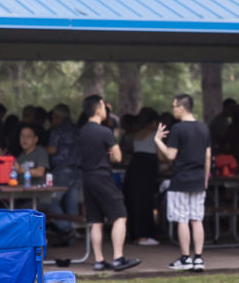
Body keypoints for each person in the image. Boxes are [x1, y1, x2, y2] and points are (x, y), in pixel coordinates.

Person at [79, 94, 140, 272]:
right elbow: (118, 157)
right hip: (102, 176)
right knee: (120, 215)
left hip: (87, 178)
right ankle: (118, 258)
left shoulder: (82, 131)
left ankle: (99, 260)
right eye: (104, 107)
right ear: (98, 109)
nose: (106, 110)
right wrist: (110, 153)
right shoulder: (105, 131)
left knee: (95, 220)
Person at [154, 93, 211, 272]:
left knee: (182, 220)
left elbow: (171, 156)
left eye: (173, 106)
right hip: (198, 180)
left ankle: (186, 258)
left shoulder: (178, 129)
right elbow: (208, 156)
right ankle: (199, 258)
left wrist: (157, 140)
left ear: (181, 107)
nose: (172, 110)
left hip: (180, 180)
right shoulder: (203, 128)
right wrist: (205, 177)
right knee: (197, 219)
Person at [124, 107, 161, 246]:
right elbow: (161, 154)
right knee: (145, 201)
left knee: (134, 200)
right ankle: (145, 235)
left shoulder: (137, 134)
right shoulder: (155, 133)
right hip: (148, 167)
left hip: (134, 166)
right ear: (155, 121)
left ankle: (135, 233)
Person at [46, 103, 82, 245]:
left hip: (62, 170)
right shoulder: (77, 129)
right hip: (78, 171)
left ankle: (66, 229)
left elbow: (52, 150)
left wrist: (43, 148)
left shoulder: (57, 130)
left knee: (51, 201)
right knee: (72, 206)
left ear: (57, 116)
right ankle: (71, 241)